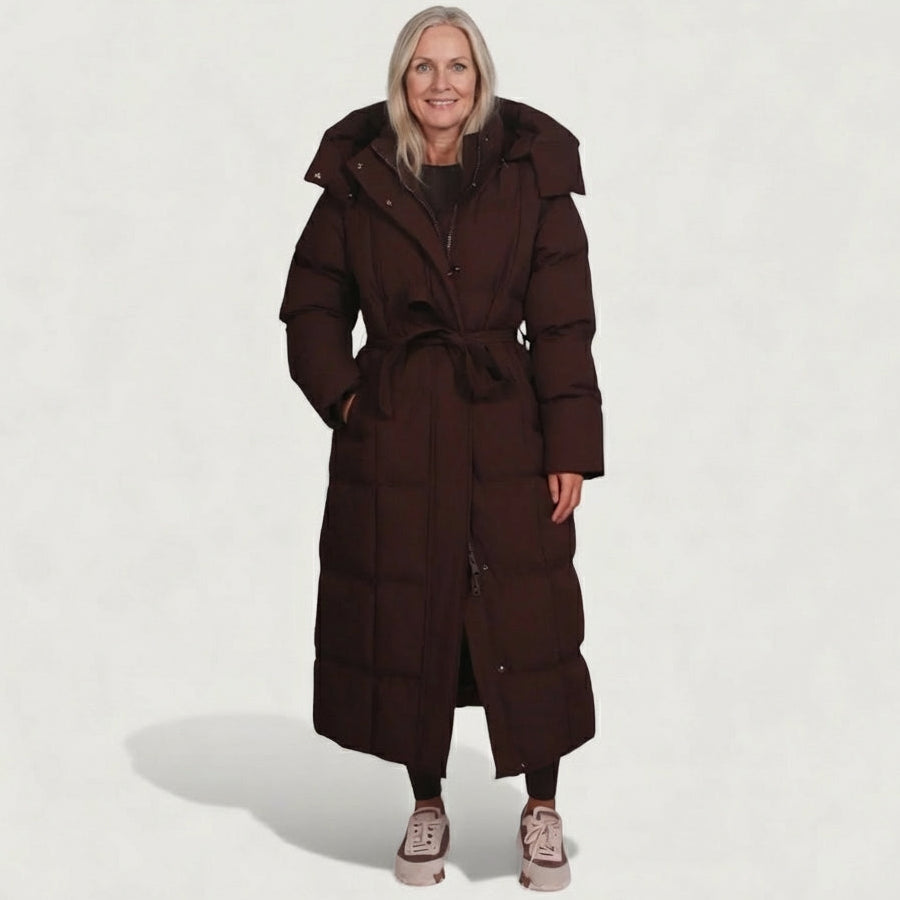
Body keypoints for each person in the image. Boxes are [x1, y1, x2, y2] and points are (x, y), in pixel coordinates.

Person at [278, 5, 604, 891]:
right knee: (409, 613)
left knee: (528, 615)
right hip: (398, 428)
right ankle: (427, 802)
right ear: (402, 78)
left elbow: (565, 324)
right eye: (423, 66)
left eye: (457, 65)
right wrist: (350, 401)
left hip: (507, 424)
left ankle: (542, 808)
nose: (441, 83)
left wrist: (570, 446)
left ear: (480, 76)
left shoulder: (531, 169)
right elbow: (312, 305)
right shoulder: (361, 174)